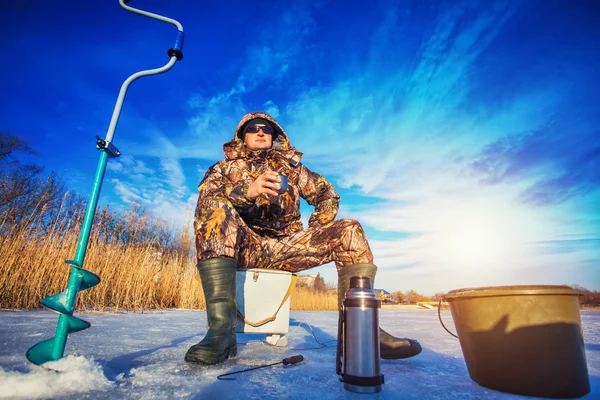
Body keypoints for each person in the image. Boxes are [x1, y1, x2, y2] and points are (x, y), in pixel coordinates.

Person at [185, 111, 422, 365]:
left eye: (266, 128)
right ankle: (221, 333)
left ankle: (361, 331)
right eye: (253, 128)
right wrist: (248, 191)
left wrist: (315, 228)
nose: (261, 132)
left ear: (275, 136)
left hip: (287, 247)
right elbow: (208, 199)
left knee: (349, 230)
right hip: (241, 247)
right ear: (243, 136)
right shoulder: (222, 169)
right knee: (214, 205)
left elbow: (327, 194)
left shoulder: (292, 169)